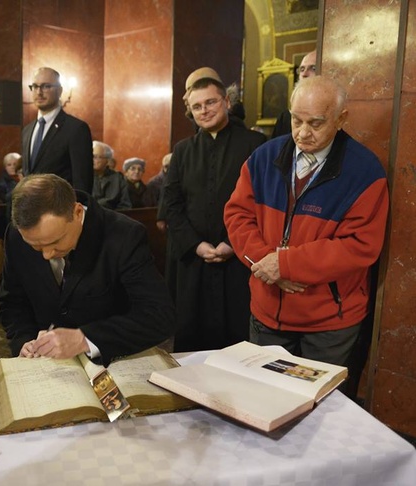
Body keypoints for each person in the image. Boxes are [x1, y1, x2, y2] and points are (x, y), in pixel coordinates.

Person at [224, 76, 389, 386]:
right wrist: (265, 263)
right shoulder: (263, 158)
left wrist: (286, 264)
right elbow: (237, 215)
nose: (302, 133)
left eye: (315, 123)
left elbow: (359, 246)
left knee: (316, 408)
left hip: (328, 321)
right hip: (266, 311)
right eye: (296, 120)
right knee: (263, 396)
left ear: (341, 119)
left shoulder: (365, 173)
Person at [0, 174, 175, 367]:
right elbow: (12, 302)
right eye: (35, 246)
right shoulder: (16, 236)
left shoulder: (124, 236)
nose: (47, 255)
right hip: (46, 367)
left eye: (55, 242)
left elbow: (160, 316)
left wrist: (84, 339)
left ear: (77, 213)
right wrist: (24, 340)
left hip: (112, 362)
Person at [163, 72, 267, 352]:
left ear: (227, 102)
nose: (204, 110)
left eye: (211, 102)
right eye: (197, 106)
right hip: (193, 262)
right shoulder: (183, 151)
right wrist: (196, 246)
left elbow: (263, 205)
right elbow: (171, 206)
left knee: (237, 341)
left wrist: (233, 244)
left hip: (238, 261)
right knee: (191, 342)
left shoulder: (255, 145)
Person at [21, 67, 93, 193]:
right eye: (35, 86)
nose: (39, 92)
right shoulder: (27, 131)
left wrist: (79, 211)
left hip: (60, 209)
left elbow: (82, 181)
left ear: (60, 91)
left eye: (46, 86)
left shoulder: (76, 129)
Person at [271, 50, 317, 139]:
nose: (304, 74)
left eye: (313, 68)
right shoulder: (285, 117)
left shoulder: (334, 112)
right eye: (302, 69)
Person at [92, 140, 131, 210]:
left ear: (107, 160)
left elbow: (125, 204)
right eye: (92, 156)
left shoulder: (118, 178)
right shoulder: (83, 177)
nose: (93, 160)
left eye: (97, 157)